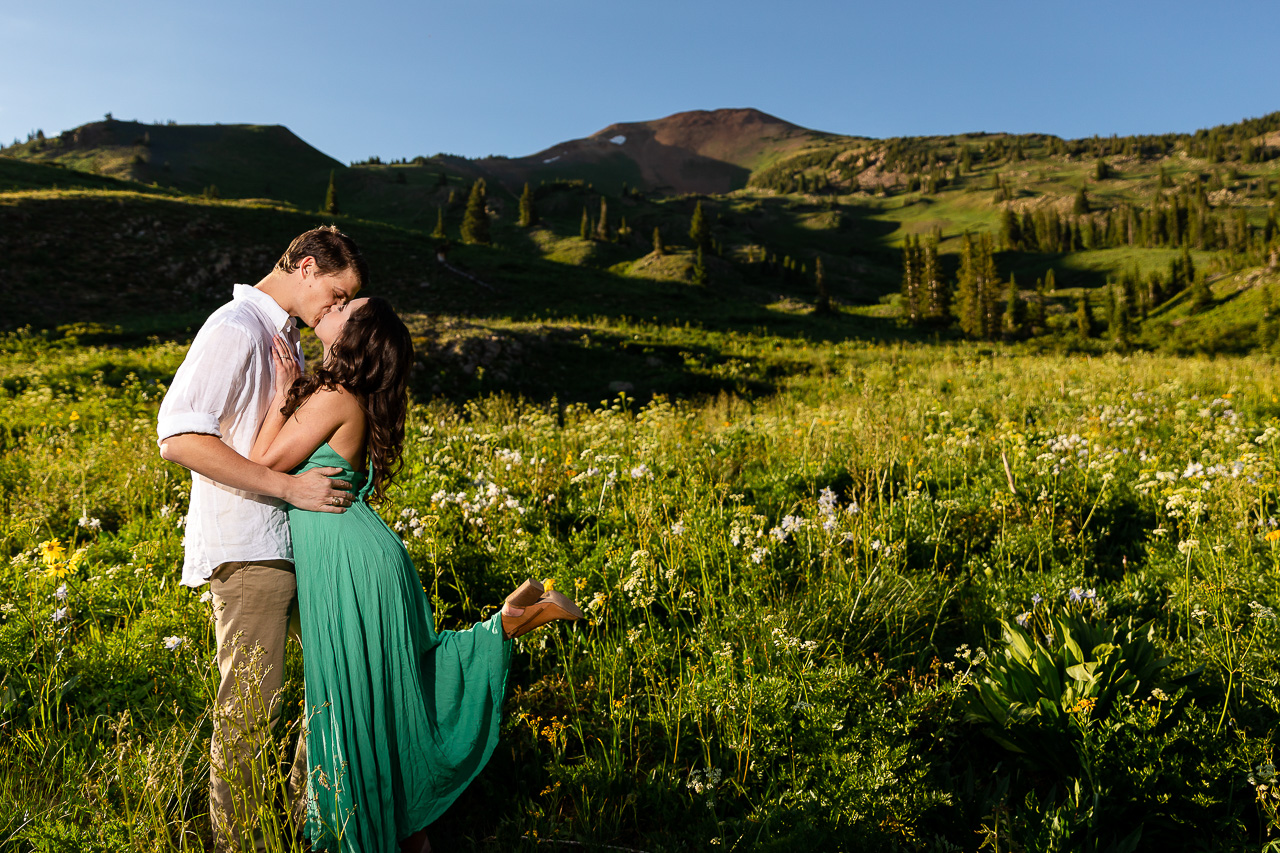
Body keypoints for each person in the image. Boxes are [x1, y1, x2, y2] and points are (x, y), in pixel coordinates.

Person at [248, 296, 581, 852]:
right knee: (385, 694)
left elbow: (260, 465)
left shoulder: (331, 395)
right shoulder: (350, 397)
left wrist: (285, 392)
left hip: (347, 567)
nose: (330, 307)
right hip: (360, 558)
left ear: (350, 337)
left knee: (357, 703)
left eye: (343, 307)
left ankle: (511, 622)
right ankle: (512, 620)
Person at [157, 225, 367, 852]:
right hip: (249, 549)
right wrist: (288, 491)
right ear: (305, 266)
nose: (338, 309)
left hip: (293, 543)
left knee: (338, 685)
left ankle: (314, 827)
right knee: (248, 715)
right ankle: (242, 845)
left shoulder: (283, 337)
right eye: (336, 293)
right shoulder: (235, 327)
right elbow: (179, 438)